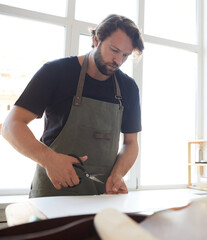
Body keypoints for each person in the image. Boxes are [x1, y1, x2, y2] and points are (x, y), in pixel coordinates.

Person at [1, 14, 144, 198]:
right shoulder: (55, 73)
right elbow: (11, 125)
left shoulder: (128, 88)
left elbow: (131, 143)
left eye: (125, 55)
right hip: (53, 194)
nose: (118, 61)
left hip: (101, 196)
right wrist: (49, 159)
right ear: (96, 39)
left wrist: (118, 174)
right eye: (114, 50)